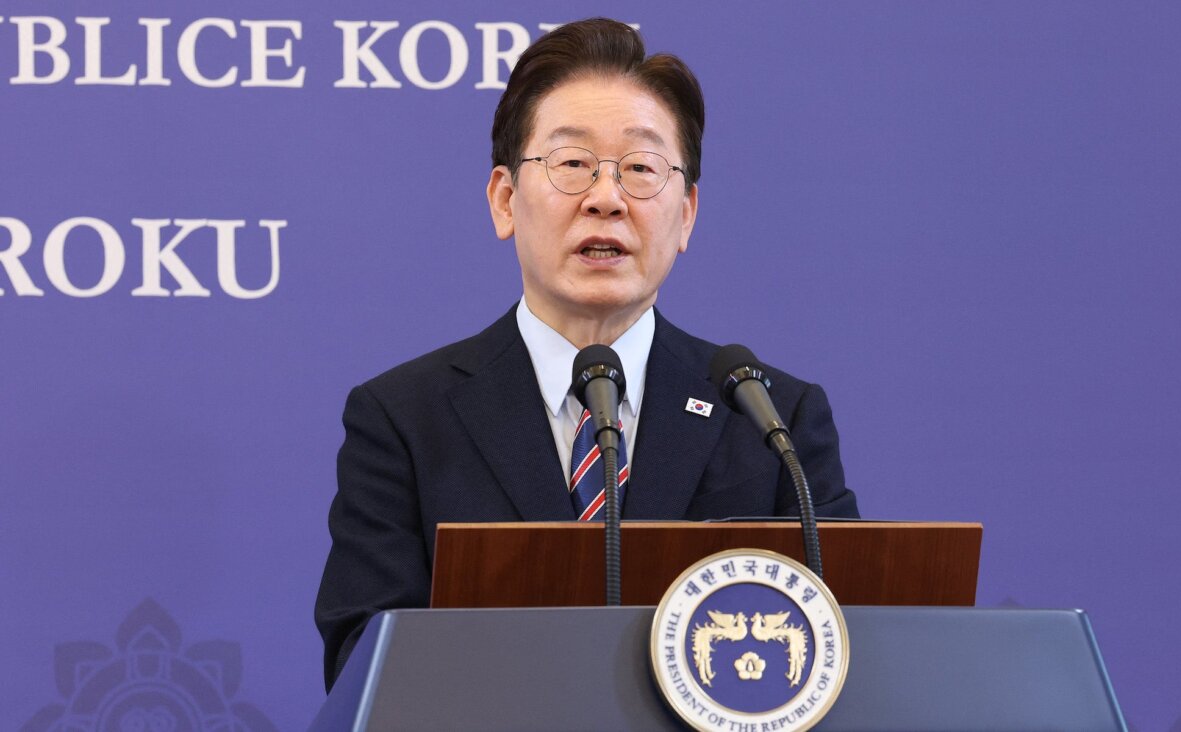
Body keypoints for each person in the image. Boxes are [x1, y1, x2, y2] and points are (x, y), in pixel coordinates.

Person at [314, 18, 859, 691]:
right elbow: (364, 670)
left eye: (640, 169)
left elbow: (842, 652)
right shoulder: (403, 420)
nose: (607, 199)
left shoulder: (770, 416)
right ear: (505, 200)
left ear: (686, 214)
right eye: (573, 165)